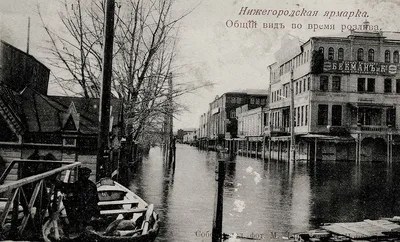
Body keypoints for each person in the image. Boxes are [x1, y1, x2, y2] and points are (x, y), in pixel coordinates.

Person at [56, 167, 100, 231]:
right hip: (86, 209)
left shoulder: (80, 184)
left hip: (83, 209)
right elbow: (96, 199)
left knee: (71, 207)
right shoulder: (91, 185)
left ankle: (78, 226)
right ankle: (81, 226)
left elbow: (67, 189)